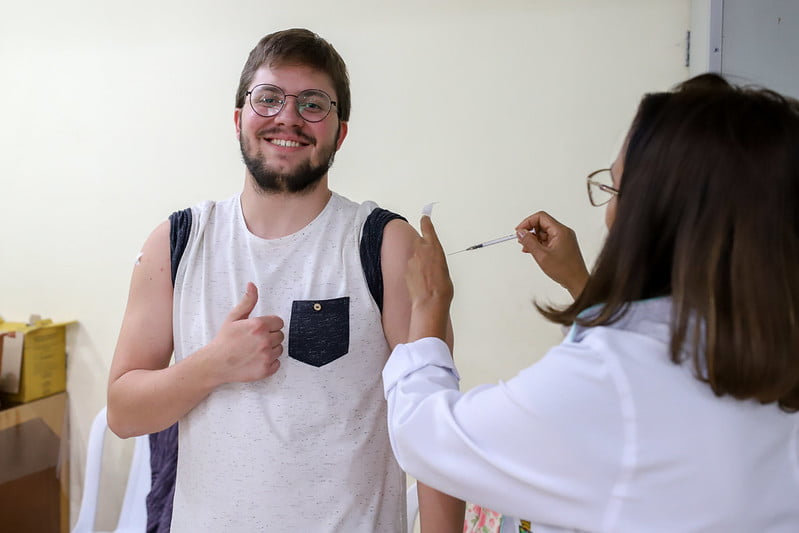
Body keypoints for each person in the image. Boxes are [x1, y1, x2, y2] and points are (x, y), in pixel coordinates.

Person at [383, 73, 799, 532]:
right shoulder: (771, 345)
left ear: (655, 217)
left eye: (614, 190)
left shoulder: (615, 383)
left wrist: (429, 305)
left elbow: (428, 441)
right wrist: (580, 282)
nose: (609, 213)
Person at [107, 28, 464, 532]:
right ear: (239, 119)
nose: (288, 117)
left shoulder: (386, 245)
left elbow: (435, 428)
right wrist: (213, 364)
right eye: (269, 97)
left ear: (340, 133)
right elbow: (123, 413)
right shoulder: (175, 242)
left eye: (313, 104)